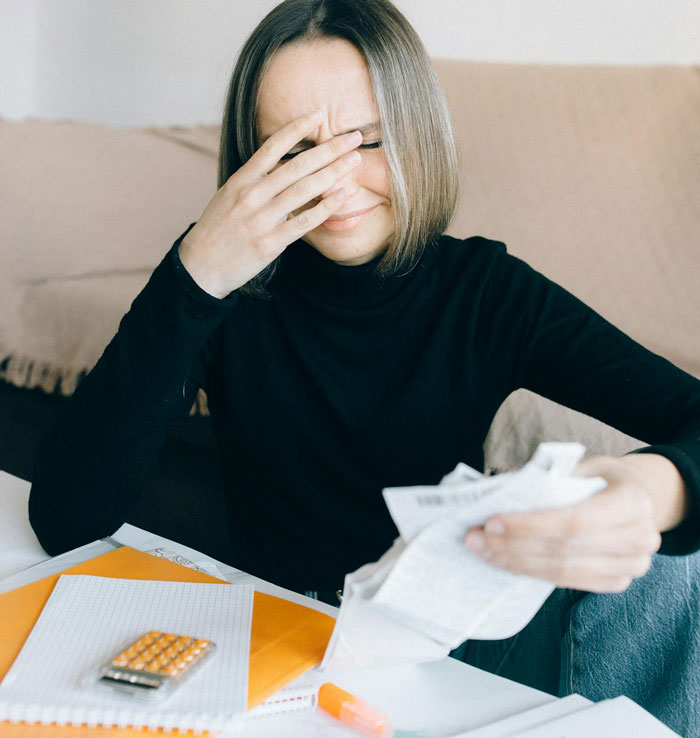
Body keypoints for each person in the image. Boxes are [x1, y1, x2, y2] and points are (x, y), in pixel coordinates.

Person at [29, 0, 700, 734]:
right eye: (295, 152)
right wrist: (192, 281)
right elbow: (66, 519)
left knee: (674, 557)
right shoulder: (224, 282)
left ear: (417, 136)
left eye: (370, 141)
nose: (336, 185)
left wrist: (651, 488)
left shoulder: (484, 290)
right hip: (290, 646)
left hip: (453, 644)